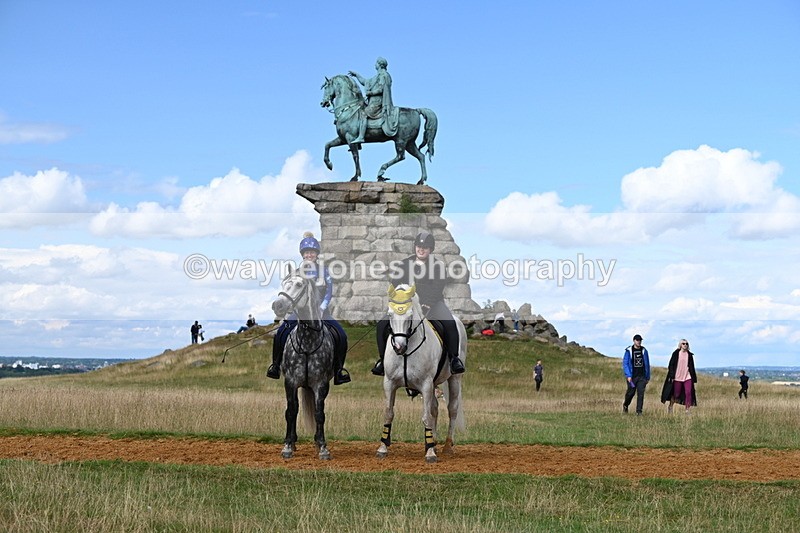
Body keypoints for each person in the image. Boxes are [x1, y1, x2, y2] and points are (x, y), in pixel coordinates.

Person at [372, 231, 466, 376]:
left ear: (430, 249)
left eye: (425, 248)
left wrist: (427, 304)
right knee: (381, 325)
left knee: (450, 323)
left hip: (432, 304)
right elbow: (396, 285)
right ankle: (382, 361)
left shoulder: (438, 266)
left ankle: (454, 359)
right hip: (408, 305)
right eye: (419, 247)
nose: (421, 250)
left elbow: (437, 288)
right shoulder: (404, 264)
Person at [266, 233, 351, 385]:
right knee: (281, 333)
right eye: (306, 252)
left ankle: (339, 371)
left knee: (342, 336)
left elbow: (329, 292)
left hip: (322, 313)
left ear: (316, 254)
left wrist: (322, 308)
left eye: (311, 252)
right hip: (298, 314)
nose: (309, 255)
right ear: (302, 255)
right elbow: (289, 292)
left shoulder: (324, 271)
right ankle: (276, 366)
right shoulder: (295, 273)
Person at [348, 57, 399, 143]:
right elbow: (365, 82)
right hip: (373, 102)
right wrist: (357, 75)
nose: (375, 65)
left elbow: (381, 89)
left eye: (376, 63)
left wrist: (370, 93)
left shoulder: (384, 75)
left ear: (379, 65)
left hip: (378, 103)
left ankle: (361, 137)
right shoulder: (377, 76)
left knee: (363, 113)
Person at [660, 338, 698, 414]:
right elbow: (671, 365)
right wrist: (671, 375)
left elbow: (692, 367)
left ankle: (687, 410)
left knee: (688, 392)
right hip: (677, 377)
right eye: (683, 343)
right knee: (676, 394)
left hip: (687, 376)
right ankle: (670, 406)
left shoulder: (689, 355)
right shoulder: (676, 354)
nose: (685, 345)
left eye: (686, 344)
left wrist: (693, 377)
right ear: (680, 345)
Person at [622, 334, 650, 415]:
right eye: (637, 340)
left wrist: (647, 376)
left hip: (642, 377)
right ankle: (625, 405)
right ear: (634, 341)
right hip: (632, 377)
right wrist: (628, 375)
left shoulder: (644, 351)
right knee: (631, 393)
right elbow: (625, 364)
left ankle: (639, 411)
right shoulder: (629, 351)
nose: (639, 342)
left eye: (640, 340)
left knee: (641, 394)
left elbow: (647, 364)